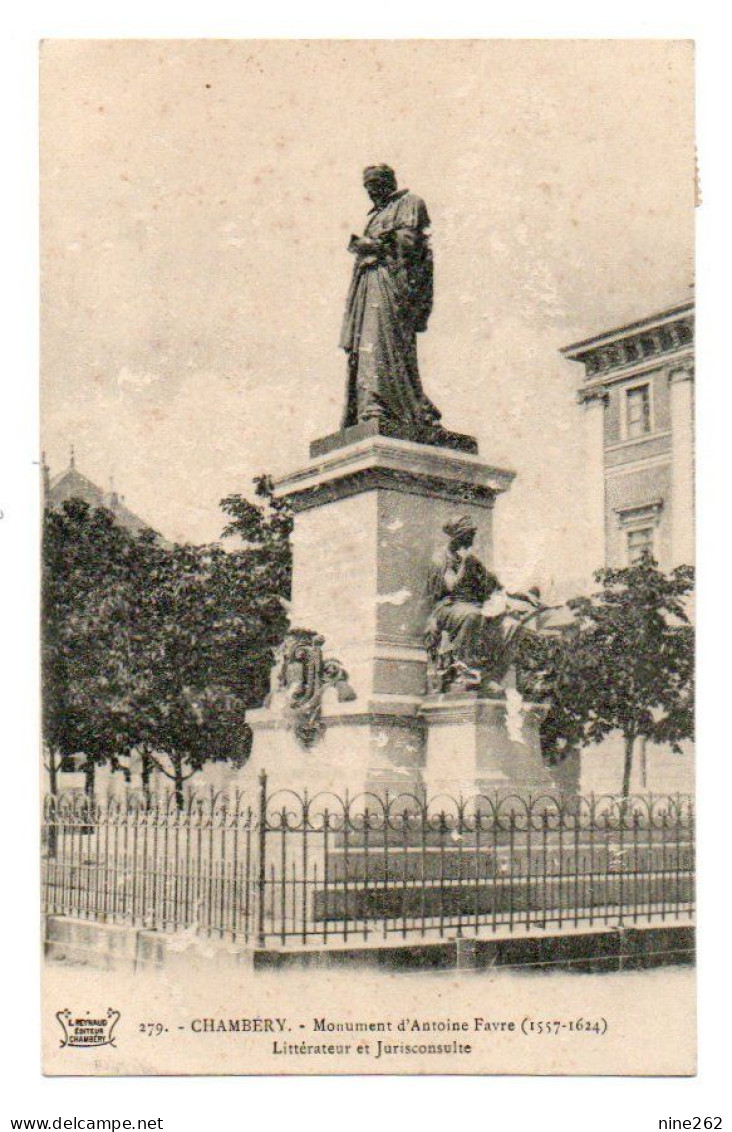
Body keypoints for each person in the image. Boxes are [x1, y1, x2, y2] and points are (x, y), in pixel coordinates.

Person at [340, 164, 440, 434]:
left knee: (381, 341)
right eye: (367, 188)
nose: (371, 193)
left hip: (390, 281)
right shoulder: (375, 215)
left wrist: (376, 245)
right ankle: (371, 402)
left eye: (375, 185)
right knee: (366, 347)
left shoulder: (410, 203)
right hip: (368, 283)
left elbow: (412, 241)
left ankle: (382, 404)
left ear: (389, 182)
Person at [424, 515, 547, 693]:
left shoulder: (472, 559)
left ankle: (492, 677)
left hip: (476, 606)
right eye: (467, 534)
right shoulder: (442, 558)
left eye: (472, 534)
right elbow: (451, 587)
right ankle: (464, 670)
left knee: (512, 624)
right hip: (448, 606)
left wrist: (524, 596)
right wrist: (466, 563)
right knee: (473, 615)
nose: (471, 539)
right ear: (456, 536)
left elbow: (496, 586)